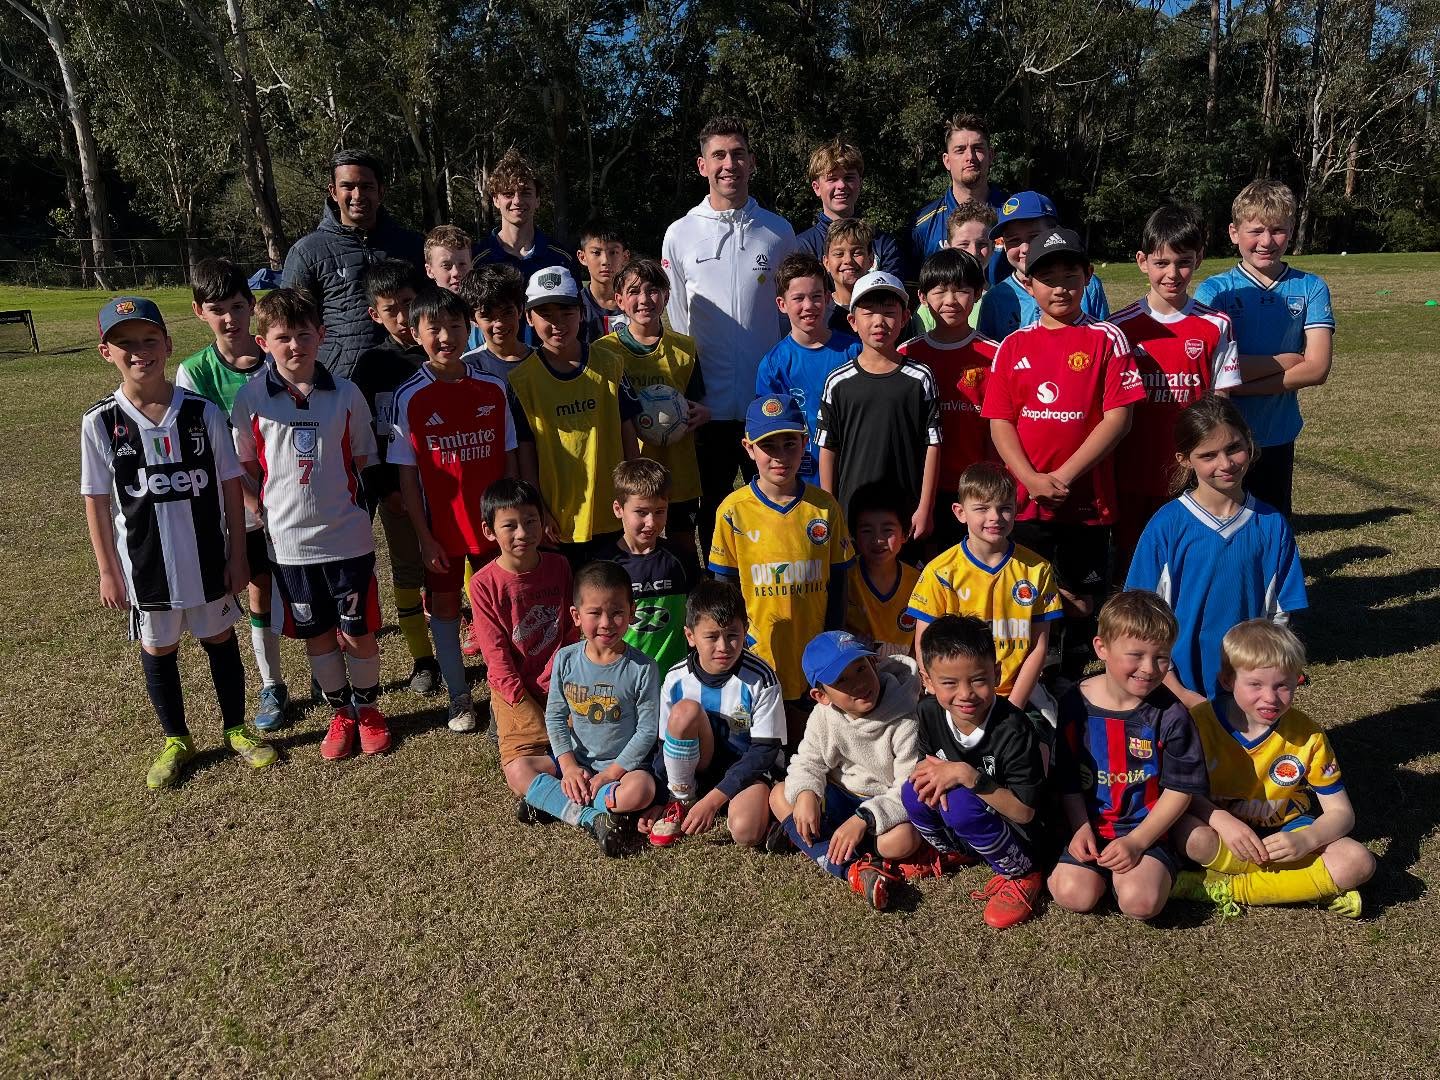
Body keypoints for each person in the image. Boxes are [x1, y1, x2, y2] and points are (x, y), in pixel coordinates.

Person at [82, 295, 276, 790]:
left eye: (149, 340)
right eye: (125, 344)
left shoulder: (201, 412)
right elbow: (97, 500)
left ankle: (235, 727)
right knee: (159, 646)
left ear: (168, 345)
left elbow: (231, 487)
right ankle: (176, 738)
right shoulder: (101, 421)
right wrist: (108, 570)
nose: (139, 351)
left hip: (208, 556)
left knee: (218, 638)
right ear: (106, 351)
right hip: (146, 567)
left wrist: (236, 553)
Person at [230, 289, 388, 760]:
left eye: (304, 334)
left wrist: (357, 511)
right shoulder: (252, 399)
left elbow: (364, 460)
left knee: (357, 631)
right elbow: (242, 466)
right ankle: (340, 713)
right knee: (317, 633)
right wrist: (258, 510)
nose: (295, 345)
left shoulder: (346, 393)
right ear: (263, 342)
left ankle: (368, 708)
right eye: (283, 337)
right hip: (289, 547)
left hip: (348, 540)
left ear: (321, 335)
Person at [982, 226, 1144, 679]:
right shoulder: (1012, 346)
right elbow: (1001, 422)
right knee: (1025, 594)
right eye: (1047, 277)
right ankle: (1027, 677)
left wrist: (1066, 475)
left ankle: (1072, 677)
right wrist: (1031, 480)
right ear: (1027, 282)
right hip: (1027, 503)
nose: (1059, 287)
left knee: (1079, 599)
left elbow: (1118, 418)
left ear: (1088, 278)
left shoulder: (1107, 339)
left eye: (1070, 276)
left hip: (1087, 502)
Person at [1171, 620, 1375, 917]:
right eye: (1255, 684)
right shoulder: (1198, 723)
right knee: (1187, 834)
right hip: (1221, 830)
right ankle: (1303, 886)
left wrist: (1308, 839)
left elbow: (1342, 814)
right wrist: (1223, 821)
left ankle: (1227, 888)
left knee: (1357, 862)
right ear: (1228, 680)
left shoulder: (1308, 736)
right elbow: (1180, 794)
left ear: (1297, 680)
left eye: (1282, 685)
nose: (1270, 697)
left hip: (1286, 830)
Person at [662, 116, 797, 556]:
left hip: (766, 401)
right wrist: (688, 393)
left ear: (752, 162)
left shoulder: (778, 231)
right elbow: (678, 323)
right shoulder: (680, 234)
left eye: (738, 154)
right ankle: (719, 597)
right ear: (702, 165)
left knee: (775, 505)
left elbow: (787, 319)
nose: (729, 164)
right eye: (719, 155)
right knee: (716, 512)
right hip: (707, 407)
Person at [391, 285, 519, 733]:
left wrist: (513, 519)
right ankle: (459, 695)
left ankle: (508, 687)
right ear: (415, 333)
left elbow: (510, 456)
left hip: (494, 527)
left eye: (455, 326)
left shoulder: (493, 387)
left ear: (469, 330)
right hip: (442, 530)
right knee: (445, 608)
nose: (446, 336)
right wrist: (424, 537)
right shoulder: (408, 397)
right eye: (435, 328)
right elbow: (407, 476)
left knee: (500, 606)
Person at [1125, 396, 1307, 704]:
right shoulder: (1167, 525)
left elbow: (1281, 616)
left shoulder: (1271, 524)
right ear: (1184, 459)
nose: (1225, 464)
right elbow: (1140, 618)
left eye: (1233, 448)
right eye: (1208, 455)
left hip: (1246, 690)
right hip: (1175, 690)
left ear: (1249, 444)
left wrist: (1263, 681)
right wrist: (1179, 692)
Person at [176, 257, 289, 731]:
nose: (230, 318)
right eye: (217, 309)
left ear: (253, 305)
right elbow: (206, 452)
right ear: (200, 311)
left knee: (312, 592)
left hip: (293, 501)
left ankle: (332, 676)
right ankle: (272, 684)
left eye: (238, 306)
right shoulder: (195, 373)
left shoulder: (280, 355)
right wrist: (249, 502)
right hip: (243, 509)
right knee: (261, 590)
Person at [1046, 591, 1208, 920]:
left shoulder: (1171, 715)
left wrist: (1137, 842)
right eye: (1135, 655)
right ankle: (1107, 874)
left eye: (1161, 657)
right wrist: (1079, 828)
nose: (1149, 669)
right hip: (1091, 827)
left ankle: (1156, 869)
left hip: (1145, 829)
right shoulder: (1074, 703)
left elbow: (1181, 789)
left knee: (1140, 904)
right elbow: (1066, 776)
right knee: (1072, 894)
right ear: (1101, 648)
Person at [1110, 205, 1241, 572]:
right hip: (1132, 468)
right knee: (1133, 562)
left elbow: (1221, 405)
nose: (1172, 274)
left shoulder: (1216, 325)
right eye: (1161, 263)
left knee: (1190, 560)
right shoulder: (1118, 328)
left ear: (1198, 259)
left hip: (1191, 472)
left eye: (1183, 262)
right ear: (1142, 261)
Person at [1193, 180, 1335, 517]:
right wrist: (1283, 361)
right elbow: (1208, 366)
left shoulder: (1310, 287)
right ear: (1233, 232)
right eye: (1255, 230)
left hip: (1277, 432)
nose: (1266, 241)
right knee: (1222, 520)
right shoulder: (1215, 290)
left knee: (1273, 522)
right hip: (1223, 435)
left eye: (1278, 230)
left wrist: (1239, 381)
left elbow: (1316, 368)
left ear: (1291, 231)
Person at [707, 394, 854, 718]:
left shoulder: (825, 507)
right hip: (759, 656)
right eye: (768, 446)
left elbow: (840, 582)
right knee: (764, 746)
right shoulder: (732, 511)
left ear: (805, 443)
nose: (780, 457)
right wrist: (734, 643)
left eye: (789, 444)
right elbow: (724, 588)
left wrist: (831, 641)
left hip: (814, 655)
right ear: (748, 448)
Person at [901, 615, 1047, 929]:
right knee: (913, 792)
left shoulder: (1015, 730)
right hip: (976, 817)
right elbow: (929, 764)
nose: (965, 693)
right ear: (927, 681)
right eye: (949, 683)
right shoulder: (928, 711)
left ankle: (1023, 873)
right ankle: (959, 853)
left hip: (1020, 830)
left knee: (962, 806)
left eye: (978, 680)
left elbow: (1025, 813)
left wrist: (969, 776)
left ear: (996, 673)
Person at [768, 632, 925, 911]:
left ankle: (812, 842)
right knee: (780, 794)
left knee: (902, 842)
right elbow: (807, 761)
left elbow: (908, 787)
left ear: (874, 664)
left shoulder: (905, 718)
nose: (860, 683)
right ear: (821, 696)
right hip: (840, 794)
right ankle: (852, 868)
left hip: (880, 806)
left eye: (862, 668)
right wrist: (806, 793)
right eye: (842, 680)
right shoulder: (823, 716)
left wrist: (864, 818)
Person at [907, 463, 1064, 720]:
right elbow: (925, 644)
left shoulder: (1037, 569)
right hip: (957, 699)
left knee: (1038, 751)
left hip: (1017, 694)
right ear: (960, 512)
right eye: (982, 508)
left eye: (1004, 508)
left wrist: (1013, 708)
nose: (995, 517)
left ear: (1017, 509)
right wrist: (943, 695)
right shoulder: (940, 571)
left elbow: (1038, 646)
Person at [523, 561, 660, 855]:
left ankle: (552, 800)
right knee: (520, 769)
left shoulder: (643, 668)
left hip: (624, 770)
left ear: (631, 612)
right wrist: (570, 767)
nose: (606, 623)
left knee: (643, 790)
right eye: (595, 613)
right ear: (576, 615)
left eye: (616, 613)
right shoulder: (565, 659)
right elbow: (556, 716)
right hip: (576, 764)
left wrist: (610, 774)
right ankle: (592, 817)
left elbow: (647, 731)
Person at [349, 258, 441, 695]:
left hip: (448, 485)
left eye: (408, 303)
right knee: (407, 572)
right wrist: (385, 489)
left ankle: (466, 639)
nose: (404, 318)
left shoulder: (441, 352)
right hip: (398, 493)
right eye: (391, 310)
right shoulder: (371, 366)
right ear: (375, 314)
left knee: (451, 568)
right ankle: (423, 659)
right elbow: (362, 436)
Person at [506, 267, 641, 564]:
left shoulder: (611, 364)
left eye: (566, 312)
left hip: (614, 511)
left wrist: (633, 497)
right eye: (546, 314)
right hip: (559, 520)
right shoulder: (522, 381)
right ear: (528, 318)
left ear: (581, 313)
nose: (557, 323)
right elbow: (525, 453)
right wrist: (537, 509)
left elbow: (627, 433)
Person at [468, 478, 580, 819]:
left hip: (563, 682)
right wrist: (528, 708)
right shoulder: (483, 584)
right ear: (490, 532)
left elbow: (572, 631)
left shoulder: (559, 566)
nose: (523, 533)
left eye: (531, 521)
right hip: (514, 692)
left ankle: (548, 793)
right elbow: (497, 659)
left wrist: (565, 682)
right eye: (510, 525)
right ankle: (572, 804)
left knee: (599, 743)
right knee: (518, 773)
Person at [645, 579, 785, 848]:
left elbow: (764, 751)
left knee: (747, 833)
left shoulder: (761, 678)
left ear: (745, 631)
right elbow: (664, 744)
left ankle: (761, 811)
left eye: (733, 635)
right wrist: (662, 798)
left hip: (746, 771)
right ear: (690, 636)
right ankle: (681, 800)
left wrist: (714, 799)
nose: (723, 646)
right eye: (711, 636)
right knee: (684, 712)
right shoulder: (675, 679)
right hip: (697, 768)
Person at [591, 257, 708, 556]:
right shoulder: (604, 351)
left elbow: (699, 403)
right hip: (629, 469)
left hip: (678, 468)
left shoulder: (685, 349)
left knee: (684, 547)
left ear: (666, 296)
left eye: (653, 290)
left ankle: (685, 596)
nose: (644, 299)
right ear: (619, 300)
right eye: (633, 291)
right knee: (631, 546)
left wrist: (701, 414)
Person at [816, 270, 941, 541]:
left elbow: (933, 444)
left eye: (888, 311)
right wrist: (831, 508)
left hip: (906, 512)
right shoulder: (837, 382)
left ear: (905, 318)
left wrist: (925, 508)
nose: (879, 321)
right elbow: (828, 448)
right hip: (852, 514)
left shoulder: (921, 378)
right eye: (869, 312)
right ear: (852, 321)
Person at [280, 149, 424, 379]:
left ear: (381, 191)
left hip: (411, 372)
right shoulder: (307, 251)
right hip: (339, 380)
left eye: (366, 186)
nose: (357, 195)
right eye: (348, 186)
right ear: (333, 192)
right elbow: (289, 323)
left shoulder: (411, 245)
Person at [899, 248, 998, 552]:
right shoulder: (907, 355)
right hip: (919, 491)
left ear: (979, 293)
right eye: (939, 290)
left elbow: (1001, 428)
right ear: (922, 298)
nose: (950, 300)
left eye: (961, 290)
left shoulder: (996, 355)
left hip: (976, 491)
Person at [754, 252, 860, 486]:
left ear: (829, 298)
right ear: (782, 304)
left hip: (854, 471)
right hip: (803, 479)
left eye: (816, 296)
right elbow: (771, 432)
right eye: (798, 298)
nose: (809, 306)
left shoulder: (855, 351)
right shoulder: (774, 365)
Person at [976, 192, 1110, 342]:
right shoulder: (994, 299)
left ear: (1055, 232)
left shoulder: (1088, 286)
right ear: (1004, 245)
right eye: (1014, 240)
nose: (1025, 248)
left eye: (1034, 237)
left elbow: (1104, 340)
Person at [604, 459, 697, 674]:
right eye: (641, 512)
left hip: (674, 677)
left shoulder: (680, 559)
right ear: (619, 509)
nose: (651, 522)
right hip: (623, 679)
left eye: (659, 512)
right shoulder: (605, 566)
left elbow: (696, 618)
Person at [907, 114, 1007, 274]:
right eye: (960, 150)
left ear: (991, 156)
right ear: (946, 161)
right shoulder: (922, 226)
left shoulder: (1014, 217)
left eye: (978, 149)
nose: (970, 157)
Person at [794, 138, 904, 275]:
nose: (841, 186)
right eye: (832, 179)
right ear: (816, 188)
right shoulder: (801, 247)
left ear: (860, 183)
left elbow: (891, 295)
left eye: (849, 178)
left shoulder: (883, 244)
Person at [472, 148, 578, 282]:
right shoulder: (477, 259)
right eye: (508, 194)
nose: (517, 201)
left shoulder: (562, 258)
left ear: (537, 200)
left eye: (525, 193)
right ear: (496, 200)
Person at [844, 485, 921, 657]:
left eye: (887, 530)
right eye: (866, 530)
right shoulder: (845, 578)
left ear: (905, 533)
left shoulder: (920, 582)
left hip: (907, 677)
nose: (878, 540)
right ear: (853, 535)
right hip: (859, 675)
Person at [575, 217, 630, 342]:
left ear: (625, 257)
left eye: (613, 253)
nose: (605, 261)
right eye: (596, 252)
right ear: (582, 257)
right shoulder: (575, 307)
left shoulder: (638, 304)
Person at [822, 217, 876, 335]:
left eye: (857, 253)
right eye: (839, 254)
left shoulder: (884, 310)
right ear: (826, 263)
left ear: (871, 260)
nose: (848, 260)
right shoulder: (819, 313)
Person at [423, 224, 473, 293]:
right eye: (446, 266)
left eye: (462, 264)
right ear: (430, 271)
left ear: (471, 266)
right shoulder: (422, 303)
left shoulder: (487, 302)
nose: (456, 272)